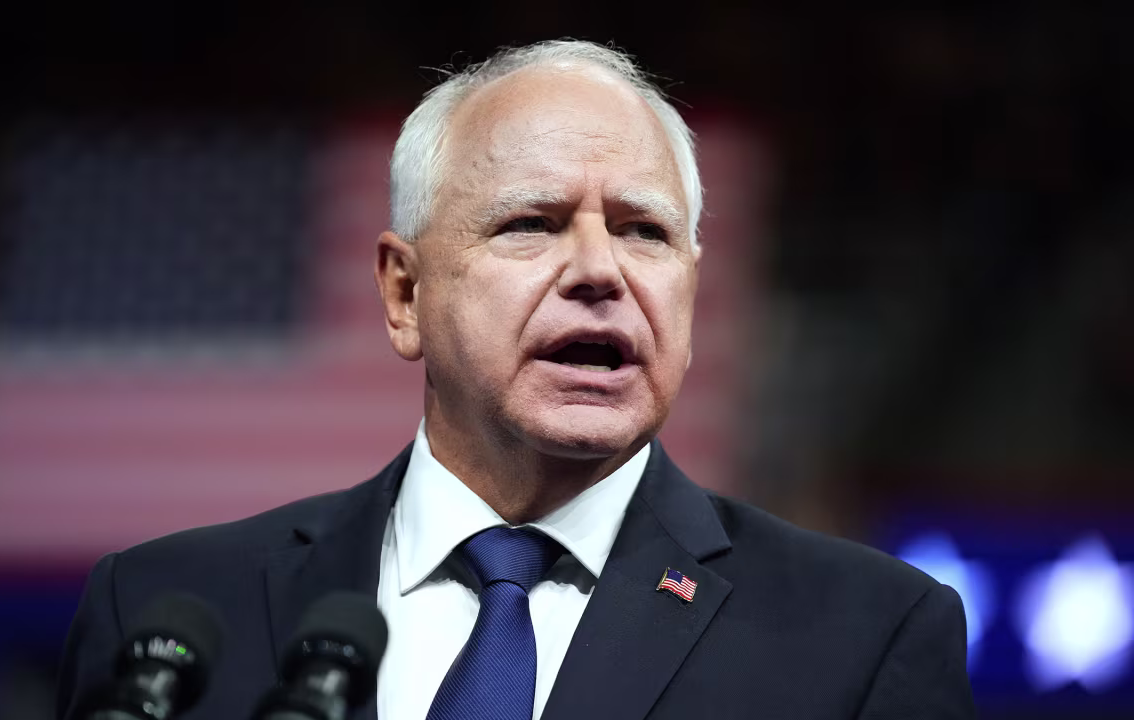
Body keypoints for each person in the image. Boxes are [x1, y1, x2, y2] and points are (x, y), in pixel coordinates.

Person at [58, 40, 976, 720]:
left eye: (645, 231)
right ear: (405, 293)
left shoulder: (866, 635)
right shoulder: (164, 610)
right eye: (531, 223)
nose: (601, 271)